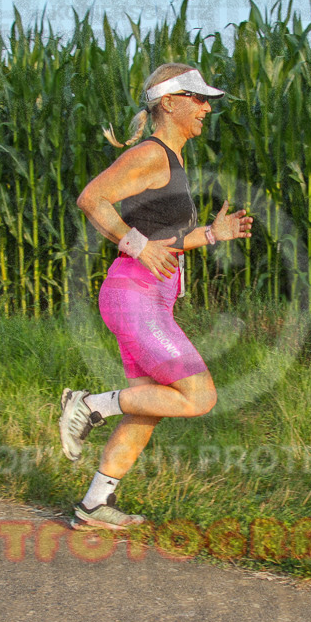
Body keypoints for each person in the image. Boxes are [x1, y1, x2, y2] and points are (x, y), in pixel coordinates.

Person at [60, 63, 253, 530]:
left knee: (146, 406)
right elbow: (91, 198)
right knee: (199, 396)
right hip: (135, 297)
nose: (207, 108)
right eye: (198, 98)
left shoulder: (173, 158)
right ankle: (90, 405)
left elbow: (165, 240)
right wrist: (136, 244)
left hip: (148, 298)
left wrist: (210, 233)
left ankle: (93, 505)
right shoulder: (152, 154)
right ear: (170, 102)